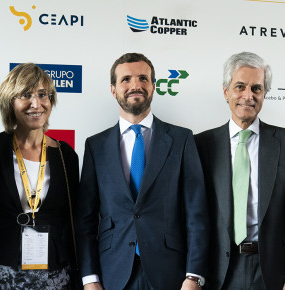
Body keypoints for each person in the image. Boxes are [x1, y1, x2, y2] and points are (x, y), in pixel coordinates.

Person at [75, 52, 209, 290]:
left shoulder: (181, 140)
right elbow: (85, 220)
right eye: (126, 79)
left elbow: (196, 212)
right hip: (112, 273)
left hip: (171, 273)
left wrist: (194, 275)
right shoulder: (95, 146)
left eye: (143, 78)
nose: (135, 85)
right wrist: (89, 278)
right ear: (113, 89)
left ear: (154, 86)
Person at [194, 52, 285, 290]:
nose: (248, 96)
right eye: (240, 86)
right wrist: (194, 274)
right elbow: (194, 216)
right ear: (226, 91)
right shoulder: (202, 145)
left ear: (265, 94)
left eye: (256, 88)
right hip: (218, 271)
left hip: (272, 271)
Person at [0, 63, 80, 289]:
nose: (36, 103)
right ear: (9, 102)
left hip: (53, 274)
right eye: (25, 95)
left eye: (43, 95)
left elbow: (74, 220)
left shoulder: (65, 154)